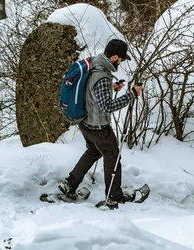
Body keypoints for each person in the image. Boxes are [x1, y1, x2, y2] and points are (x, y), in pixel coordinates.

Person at [58, 39, 142, 208]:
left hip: (85, 122)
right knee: (112, 157)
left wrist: (112, 87)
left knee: (93, 151)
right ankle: (114, 196)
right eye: (121, 59)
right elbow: (108, 106)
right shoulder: (102, 75)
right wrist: (131, 94)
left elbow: (91, 89)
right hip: (98, 127)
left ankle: (70, 184)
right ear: (115, 57)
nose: (122, 62)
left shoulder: (94, 62)